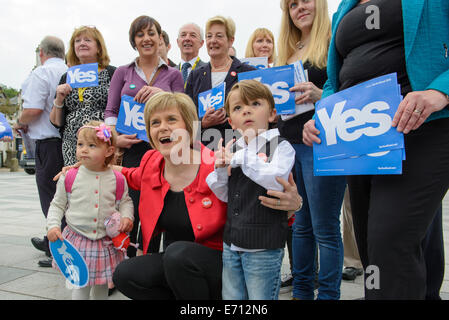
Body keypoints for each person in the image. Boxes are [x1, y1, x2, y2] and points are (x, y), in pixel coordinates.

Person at [302, 0, 449, 299]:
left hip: (423, 129)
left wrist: (441, 91)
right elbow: (335, 77)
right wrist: (323, 114)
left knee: (389, 242)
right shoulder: (345, 7)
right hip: (360, 137)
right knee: (373, 248)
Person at [111, 92, 303, 300]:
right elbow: (133, 176)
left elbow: (258, 203)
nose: (162, 127)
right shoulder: (151, 161)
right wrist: (95, 168)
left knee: (178, 256)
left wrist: (295, 204)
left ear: (189, 128)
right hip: (177, 262)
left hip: (222, 263)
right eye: (155, 122)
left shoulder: (217, 163)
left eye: (171, 119)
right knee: (126, 274)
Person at [276, 0, 346, 300]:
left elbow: (352, 87)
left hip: (322, 143)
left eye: (305, 1)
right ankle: (302, 292)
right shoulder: (289, 50)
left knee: (325, 226)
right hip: (290, 145)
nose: (299, 8)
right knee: (301, 224)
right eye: (292, 4)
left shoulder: (334, 38)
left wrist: (321, 96)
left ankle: (329, 294)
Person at [206, 80, 296, 300]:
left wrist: (241, 158)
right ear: (231, 121)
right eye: (238, 108)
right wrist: (219, 169)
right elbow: (225, 194)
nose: (246, 110)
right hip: (232, 243)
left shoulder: (281, 146)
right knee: (232, 298)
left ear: (272, 114)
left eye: (255, 104)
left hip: (263, 245)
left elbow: (276, 181)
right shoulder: (234, 149)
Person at [104, 15, 184, 257]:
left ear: (160, 38)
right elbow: (110, 110)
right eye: (140, 35)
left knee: (161, 209)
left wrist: (161, 94)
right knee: (131, 209)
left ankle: (157, 262)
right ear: (134, 41)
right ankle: (126, 260)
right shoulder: (122, 72)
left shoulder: (174, 74)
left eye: (151, 33)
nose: (146, 39)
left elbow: (184, 110)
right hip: (132, 152)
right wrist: (114, 138)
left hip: (165, 153)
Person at [46, 121, 134, 300]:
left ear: (108, 151)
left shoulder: (117, 179)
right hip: (77, 240)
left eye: (92, 145)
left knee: (102, 284)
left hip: (104, 242)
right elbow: (57, 204)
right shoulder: (69, 177)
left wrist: (127, 216)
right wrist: (53, 226)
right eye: (80, 144)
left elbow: (125, 201)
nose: (83, 149)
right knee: (80, 284)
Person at [13, 36, 68, 268]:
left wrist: (19, 120)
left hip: (48, 142)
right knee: (67, 196)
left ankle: (57, 249)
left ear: (42, 53)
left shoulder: (41, 73)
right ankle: (51, 240)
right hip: (67, 141)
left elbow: (33, 109)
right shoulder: (70, 70)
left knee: (52, 198)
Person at [185, 16, 256, 151]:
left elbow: (258, 112)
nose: (213, 41)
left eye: (219, 36)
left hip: (239, 149)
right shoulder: (195, 75)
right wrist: (203, 123)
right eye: (209, 36)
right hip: (203, 151)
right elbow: (185, 116)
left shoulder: (247, 73)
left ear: (231, 41)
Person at [50, 26, 116, 166]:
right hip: (73, 143)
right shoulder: (66, 76)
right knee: (77, 184)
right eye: (77, 41)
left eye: (87, 40)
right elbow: (56, 122)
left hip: (101, 142)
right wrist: (59, 99)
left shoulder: (112, 73)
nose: (82, 43)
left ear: (98, 47)